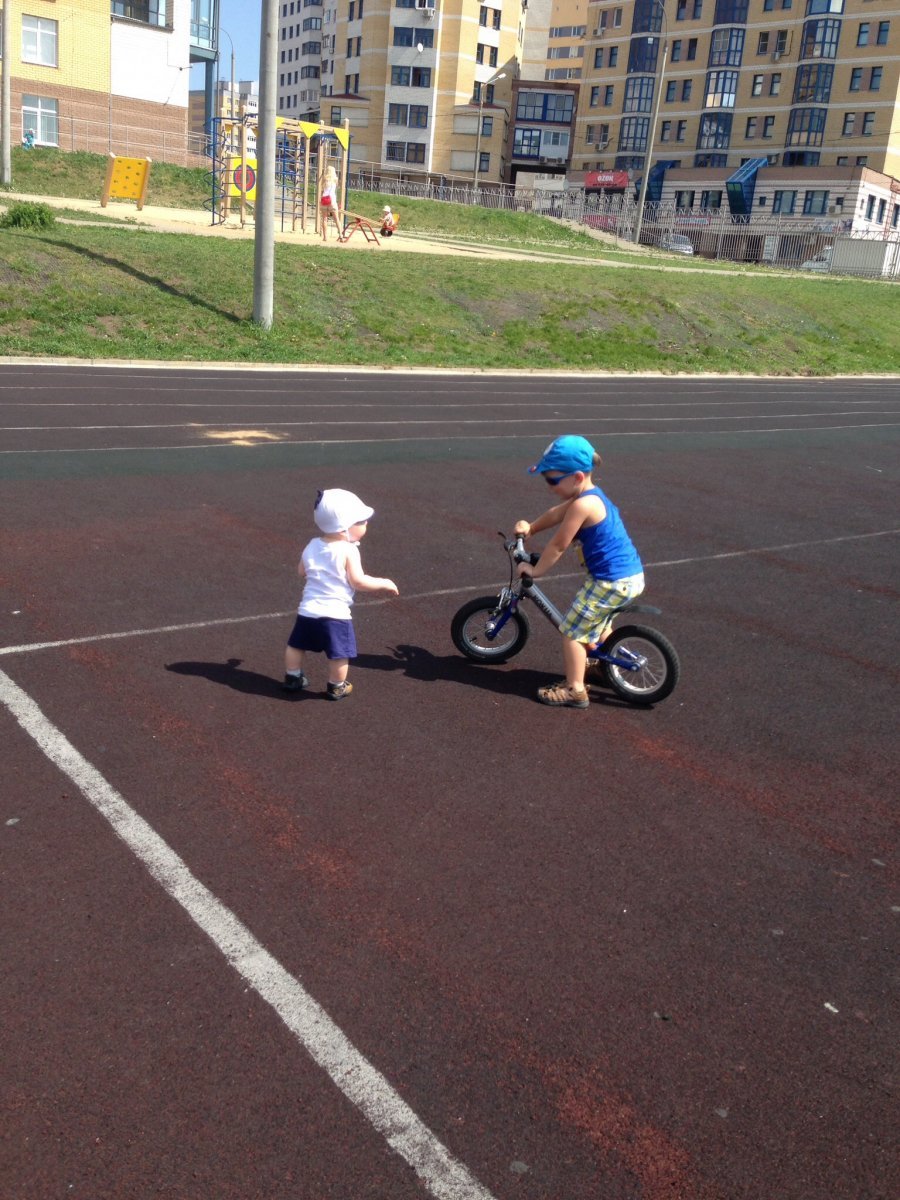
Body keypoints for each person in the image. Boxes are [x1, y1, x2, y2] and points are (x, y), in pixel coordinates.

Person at [514, 435, 644, 709]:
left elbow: (559, 545)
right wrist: (532, 528)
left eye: (552, 480)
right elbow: (555, 513)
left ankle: (574, 689)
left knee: (573, 632)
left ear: (576, 477)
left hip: (610, 581)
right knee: (599, 625)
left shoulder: (583, 505)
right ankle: (606, 666)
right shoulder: (588, 496)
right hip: (628, 576)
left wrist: (535, 570)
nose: (549, 486)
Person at [283, 489, 398, 700]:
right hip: (336, 615)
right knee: (339, 654)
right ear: (344, 528)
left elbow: (302, 571)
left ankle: (293, 676)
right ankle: (336, 686)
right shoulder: (349, 550)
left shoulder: (312, 545)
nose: (366, 524)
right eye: (361, 521)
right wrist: (384, 583)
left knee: (296, 645)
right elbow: (358, 581)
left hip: (307, 611)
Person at [320, 165, 342, 240]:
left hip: (324, 200)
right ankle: (341, 235)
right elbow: (337, 186)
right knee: (336, 219)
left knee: (324, 219)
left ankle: (325, 237)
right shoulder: (335, 180)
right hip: (332, 200)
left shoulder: (324, 180)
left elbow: (322, 190)